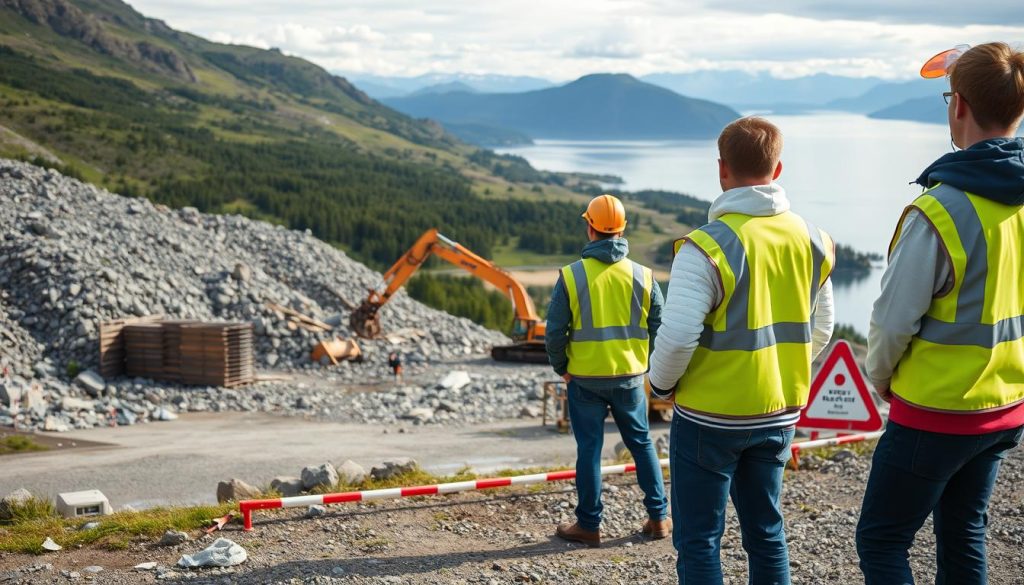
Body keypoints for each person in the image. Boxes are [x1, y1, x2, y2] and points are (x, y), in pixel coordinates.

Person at [856, 42, 1024, 585]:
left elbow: (890, 321)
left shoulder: (940, 210)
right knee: (964, 530)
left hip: (935, 409)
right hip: (1003, 406)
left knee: (882, 539)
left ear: (959, 106)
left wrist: (882, 380)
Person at [648, 116, 835, 584]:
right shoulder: (814, 240)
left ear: (721, 170)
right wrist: (778, 369)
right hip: (778, 412)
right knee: (766, 533)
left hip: (710, 418)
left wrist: (659, 385)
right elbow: (822, 327)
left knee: (699, 539)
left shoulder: (706, 247)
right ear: (777, 169)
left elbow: (676, 338)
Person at [545, 193, 669, 547]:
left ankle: (589, 524)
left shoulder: (572, 276)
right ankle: (659, 518)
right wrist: (648, 364)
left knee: (589, 450)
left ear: (590, 227)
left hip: (583, 379)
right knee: (642, 444)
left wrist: (562, 368)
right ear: (622, 230)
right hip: (630, 377)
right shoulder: (644, 276)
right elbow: (660, 325)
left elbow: (554, 332)